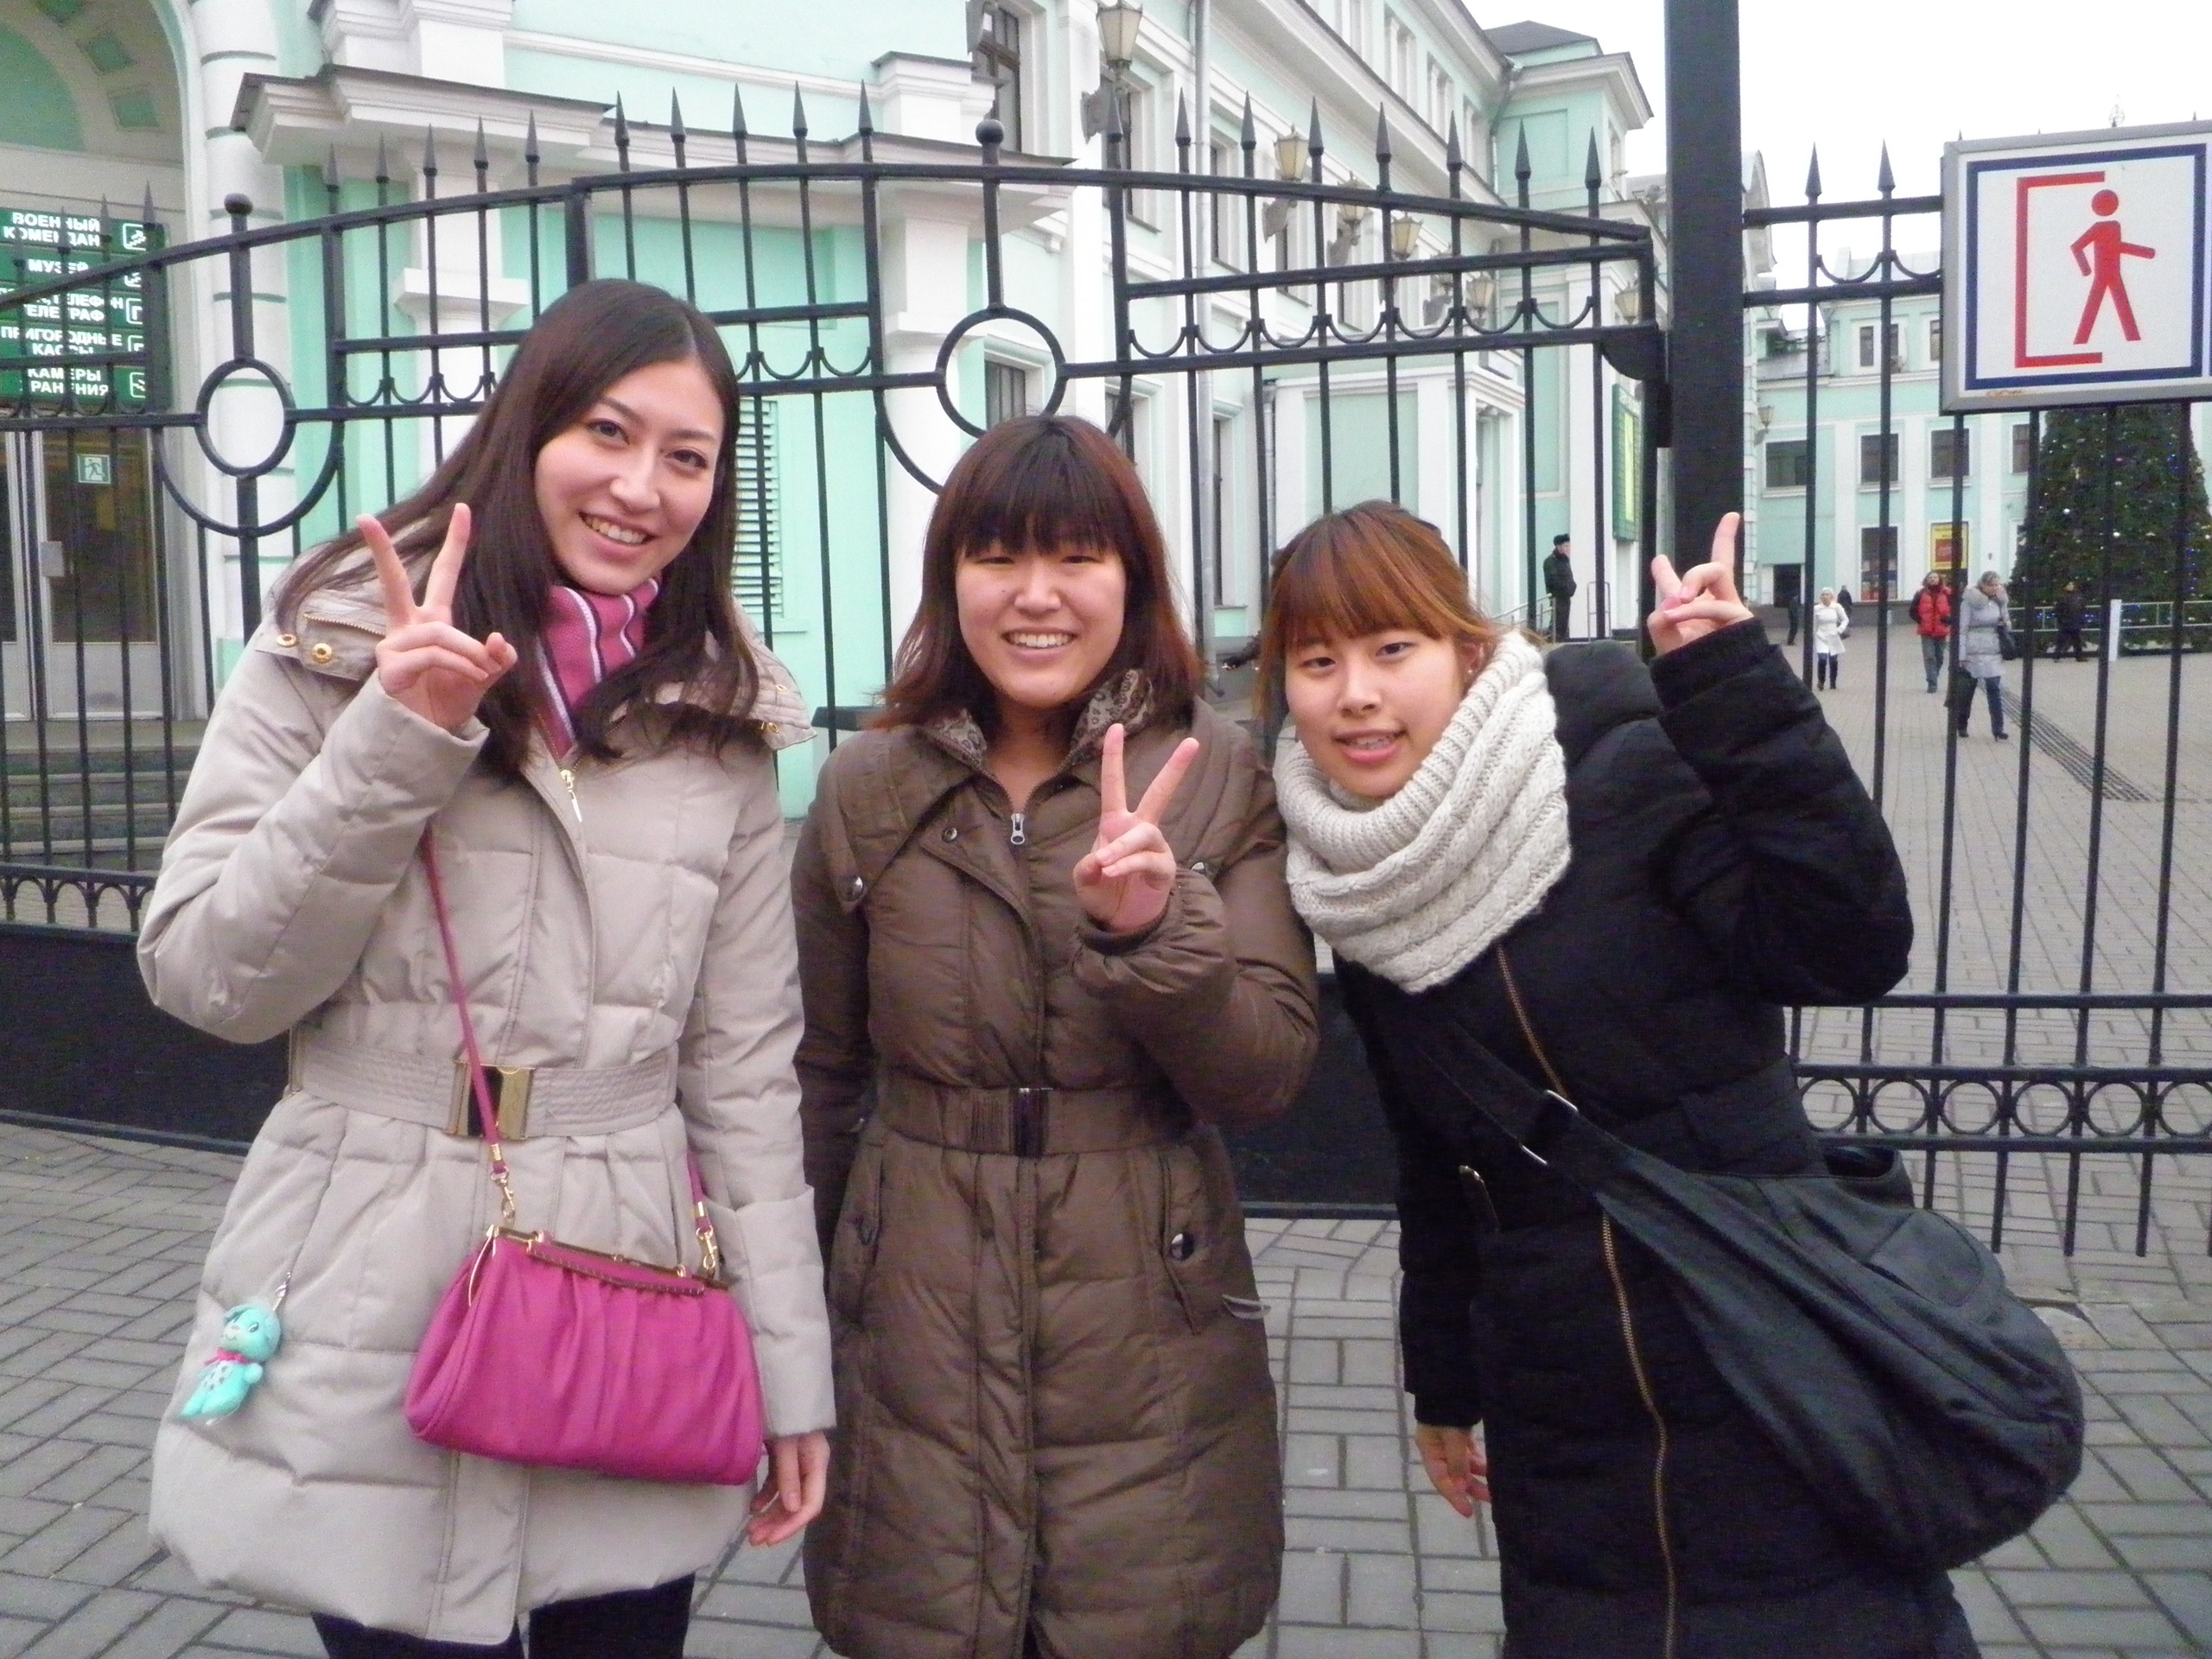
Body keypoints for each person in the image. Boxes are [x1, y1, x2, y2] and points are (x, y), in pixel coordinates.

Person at [137, 280, 835, 1659]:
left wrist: (791, 1373)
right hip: (367, 1252)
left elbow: (746, 1077)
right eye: (606, 432)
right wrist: (396, 735)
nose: (640, 488)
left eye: (687, 457)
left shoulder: (723, 715)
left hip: (629, 1272)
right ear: (527, 430)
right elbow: (211, 976)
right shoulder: (335, 643)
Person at [1260, 499, 1971, 1659]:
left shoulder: (1623, 766)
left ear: (1465, 649)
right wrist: (1443, 1384)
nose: (1356, 695)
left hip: (1755, 1345)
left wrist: (1738, 691)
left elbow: (1848, 946)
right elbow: (1436, 1167)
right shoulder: (1357, 880)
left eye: (1392, 648)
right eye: (1317, 661)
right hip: (1562, 1407)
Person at [794, 415, 1318, 1659]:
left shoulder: (1215, 772)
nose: (1036, 596)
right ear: (950, 581)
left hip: (1146, 1305)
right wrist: (792, 1327)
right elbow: (819, 1074)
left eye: (1077, 556)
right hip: (914, 1301)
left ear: (1131, 578)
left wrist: (1154, 936)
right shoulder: (868, 785)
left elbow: (1265, 1072)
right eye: (997, 557)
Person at [1955, 570, 2011, 739]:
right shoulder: (1969, 602)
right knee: (1968, 691)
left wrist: (2005, 624)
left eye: (1997, 585)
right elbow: (1962, 629)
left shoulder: (2000, 601)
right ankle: (1962, 724)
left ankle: (1998, 728)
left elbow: (2007, 622)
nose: (1994, 588)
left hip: (1993, 648)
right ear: (1983, 585)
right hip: (1973, 649)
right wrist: (1961, 655)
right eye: (1991, 585)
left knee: (1994, 688)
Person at [1909, 569, 1953, 693]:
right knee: (1929, 657)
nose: (1933, 579)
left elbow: (1955, 608)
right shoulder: (1921, 593)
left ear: (1939, 579)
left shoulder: (1947, 593)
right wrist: (1920, 620)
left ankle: (1934, 675)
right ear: (1926, 580)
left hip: (1941, 630)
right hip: (1926, 631)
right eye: (1930, 577)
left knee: (1939, 657)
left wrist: (1948, 620)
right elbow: (1912, 610)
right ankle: (1932, 683)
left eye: (1935, 577)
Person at [1811, 585, 1849, 690]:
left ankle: (1833, 682)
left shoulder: (1836, 607)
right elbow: (1815, 623)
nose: (1825, 596)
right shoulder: (1817, 608)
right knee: (1822, 659)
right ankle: (1821, 682)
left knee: (1833, 659)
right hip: (1821, 636)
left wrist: (1839, 629)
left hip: (1833, 635)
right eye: (1823, 595)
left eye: (1827, 594)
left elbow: (1845, 619)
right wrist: (1814, 634)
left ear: (1831, 596)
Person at [1543, 532, 1577, 642]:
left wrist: (1573, 587)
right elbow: (1553, 581)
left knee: (1564, 621)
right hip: (1557, 596)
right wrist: (1566, 588)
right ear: (1558, 546)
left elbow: (1569, 576)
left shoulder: (1565, 560)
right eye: (1565, 546)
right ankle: (1553, 639)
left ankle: (1561, 639)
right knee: (1557, 620)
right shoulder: (1550, 561)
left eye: (1568, 546)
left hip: (1566, 596)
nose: (1568, 548)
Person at [2052, 581, 2089, 661]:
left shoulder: (2077, 597)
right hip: (2066, 622)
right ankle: (2057, 656)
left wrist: (2081, 619)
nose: (2071, 586)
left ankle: (2078, 656)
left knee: (2076, 640)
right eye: (2069, 585)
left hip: (2074, 621)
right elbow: (2058, 610)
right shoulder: (2063, 597)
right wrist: (2061, 619)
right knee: (2062, 640)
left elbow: (2082, 609)